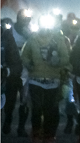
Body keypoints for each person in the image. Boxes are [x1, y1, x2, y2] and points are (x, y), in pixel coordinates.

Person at [21, 14, 71, 143]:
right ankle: (36, 133)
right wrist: (28, 63)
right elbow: (24, 55)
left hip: (53, 80)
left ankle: (49, 134)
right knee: (36, 109)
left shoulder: (58, 40)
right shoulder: (32, 39)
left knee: (51, 109)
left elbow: (66, 58)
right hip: (35, 79)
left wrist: (58, 61)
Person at [2, 9, 32, 137]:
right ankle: (7, 121)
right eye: (23, 17)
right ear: (18, 18)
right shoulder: (9, 31)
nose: (25, 20)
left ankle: (21, 127)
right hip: (12, 71)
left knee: (24, 101)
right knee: (10, 99)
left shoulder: (31, 32)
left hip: (26, 72)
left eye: (28, 18)